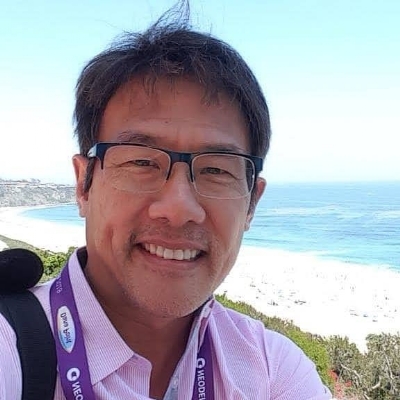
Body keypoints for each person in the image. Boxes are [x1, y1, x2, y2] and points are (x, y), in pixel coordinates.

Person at [0, 4, 332, 400]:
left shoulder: (271, 370)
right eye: (141, 162)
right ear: (84, 185)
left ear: (251, 204)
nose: (179, 209)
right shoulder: (12, 348)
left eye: (216, 169)